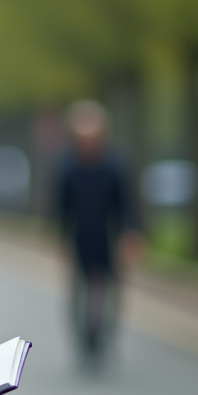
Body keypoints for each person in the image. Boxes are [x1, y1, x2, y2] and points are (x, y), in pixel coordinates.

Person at [54, 100, 144, 372]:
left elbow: (127, 203)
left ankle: (106, 338)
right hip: (80, 238)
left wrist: (131, 234)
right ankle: (85, 342)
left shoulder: (115, 165)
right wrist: (61, 239)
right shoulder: (66, 167)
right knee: (79, 294)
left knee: (112, 293)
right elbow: (60, 207)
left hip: (109, 237)